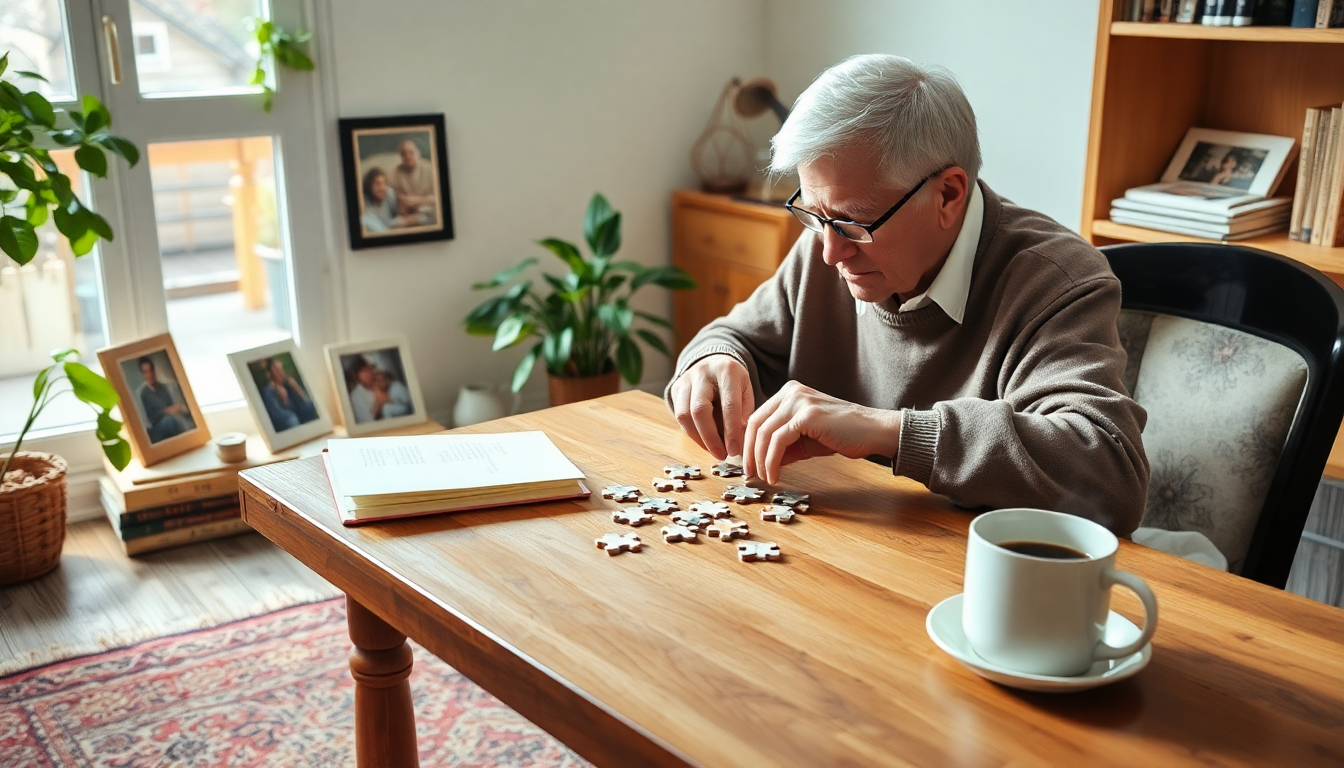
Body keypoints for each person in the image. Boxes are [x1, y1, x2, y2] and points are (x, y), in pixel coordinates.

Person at [666, 54, 1149, 535]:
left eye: (855, 221)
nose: (830, 253)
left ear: (948, 195)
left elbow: (1110, 472)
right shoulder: (828, 240)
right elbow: (735, 338)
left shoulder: (1058, 281)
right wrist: (713, 360)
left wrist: (892, 432)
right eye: (813, 214)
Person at [136, 356, 195, 443]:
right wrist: (165, 412)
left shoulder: (164, 387)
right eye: (145, 372)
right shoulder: (143, 393)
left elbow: (174, 404)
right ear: (142, 374)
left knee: (181, 421)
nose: (149, 374)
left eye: (151, 370)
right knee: (169, 421)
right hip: (156, 428)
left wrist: (178, 408)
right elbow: (148, 420)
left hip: (173, 420)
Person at [347, 356, 414, 423]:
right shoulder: (356, 396)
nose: (369, 374)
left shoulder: (383, 382)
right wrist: (379, 402)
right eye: (364, 371)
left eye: (369, 369)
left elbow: (393, 398)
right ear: (357, 376)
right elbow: (367, 421)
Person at [259, 357, 319, 432]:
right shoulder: (269, 391)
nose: (281, 373)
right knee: (292, 420)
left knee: (311, 407)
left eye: (282, 369)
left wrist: (298, 390)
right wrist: (284, 400)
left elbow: (305, 403)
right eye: (277, 371)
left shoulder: (289, 385)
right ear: (270, 374)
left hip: (299, 415)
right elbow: (280, 415)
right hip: (287, 422)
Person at [390, 138, 437, 225]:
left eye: (411, 152)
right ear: (400, 156)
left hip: (429, 212)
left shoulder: (431, 169)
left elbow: (439, 198)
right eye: (404, 154)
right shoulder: (395, 174)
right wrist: (402, 207)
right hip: (407, 216)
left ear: (418, 153)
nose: (408, 156)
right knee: (395, 224)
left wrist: (419, 200)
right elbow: (395, 201)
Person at [360, 167, 415, 233]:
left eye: (384, 183)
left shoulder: (389, 193)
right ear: (369, 186)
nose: (382, 188)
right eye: (378, 184)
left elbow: (396, 215)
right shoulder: (365, 206)